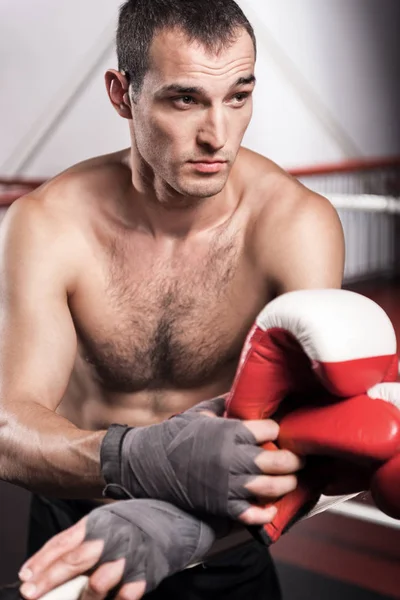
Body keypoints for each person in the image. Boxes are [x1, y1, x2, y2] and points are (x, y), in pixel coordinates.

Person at [0, 0, 344, 598]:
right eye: (184, 99)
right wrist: (132, 460)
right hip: (78, 538)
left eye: (238, 96)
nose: (218, 134)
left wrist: (171, 523)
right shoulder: (48, 224)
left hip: (223, 545)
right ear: (121, 94)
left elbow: (312, 431)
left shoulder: (294, 225)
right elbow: (8, 427)